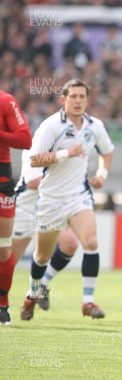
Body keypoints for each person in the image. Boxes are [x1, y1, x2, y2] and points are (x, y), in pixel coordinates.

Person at [20, 79, 114, 321]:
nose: (78, 101)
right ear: (63, 100)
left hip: (78, 196)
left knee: (91, 242)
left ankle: (88, 302)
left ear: (87, 100)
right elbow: (34, 159)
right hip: (51, 198)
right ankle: (33, 293)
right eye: (73, 96)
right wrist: (65, 153)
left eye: (82, 97)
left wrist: (102, 174)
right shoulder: (50, 126)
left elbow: (108, 151)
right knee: (42, 256)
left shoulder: (95, 126)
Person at [12, 148, 80, 312]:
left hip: (49, 211)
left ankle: (41, 285)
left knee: (69, 243)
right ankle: (3, 306)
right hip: (26, 210)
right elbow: (33, 182)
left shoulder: (65, 149)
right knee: (8, 261)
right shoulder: (33, 148)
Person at [0, 90, 33, 325]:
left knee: (3, 248)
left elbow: (25, 139)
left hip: (1, 177)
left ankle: (2, 305)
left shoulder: (6, 101)